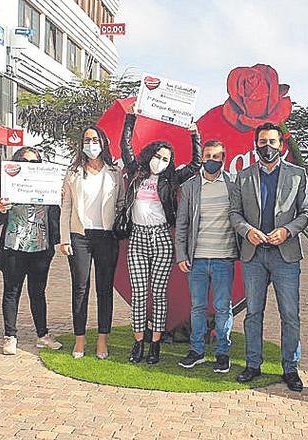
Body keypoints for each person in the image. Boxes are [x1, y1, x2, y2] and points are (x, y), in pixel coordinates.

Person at [229, 123, 308, 391]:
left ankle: (290, 368)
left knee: (290, 314)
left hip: (285, 255)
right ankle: (253, 364)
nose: (267, 146)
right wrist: (247, 231)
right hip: (253, 255)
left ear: (281, 145)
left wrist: (287, 231)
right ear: (255, 144)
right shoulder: (243, 177)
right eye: (262, 142)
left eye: (272, 142)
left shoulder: (298, 175)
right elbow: (234, 214)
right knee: (253, 313)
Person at [121, 103, 201, 365]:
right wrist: (131, 117)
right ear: (150, 155)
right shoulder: (136, 172)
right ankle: (138, 343)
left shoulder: (171, 179)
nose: (160, 161)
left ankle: (155, 345)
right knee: (139, 292)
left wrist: (194, 135)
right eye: (157, 156)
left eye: (166, 159)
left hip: (161, 239)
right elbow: (125, 146)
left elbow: (196, 165)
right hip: (138, 238)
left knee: (159, 292)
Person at [58, 125, 123, 359]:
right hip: (80, 236)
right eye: (87, 139)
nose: (91, 144)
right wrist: (64, 239)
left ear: (103, 142)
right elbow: (65, 207)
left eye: (95, 139)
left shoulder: (114, 172)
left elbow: (121, 203)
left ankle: (102, 340)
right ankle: (79, 340)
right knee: (80, 289)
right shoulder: (72, 172)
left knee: (104, 290)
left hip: (106, 237)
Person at [175, 139, 239, 373]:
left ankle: (223, 353)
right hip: (197, 259)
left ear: (224, 159)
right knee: (197, 307)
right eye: (208, 156)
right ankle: (197, 351)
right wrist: (181, 255)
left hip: (224, 258)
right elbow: (182, 225)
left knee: (223, 308)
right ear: (202, 157)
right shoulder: (190, 187)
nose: (211, 160)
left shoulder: (234, 184)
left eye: (217, 157)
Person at [0, 147, 63, 356]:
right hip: (14, 246)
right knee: (11, 291)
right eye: (25, 161)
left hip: (41, 247)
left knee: (38, 293)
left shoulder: (47, 185)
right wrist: (0, 208)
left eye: (35, 162)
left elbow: (55, 217)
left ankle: (43, 335)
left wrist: (58, 241)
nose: (30, 166)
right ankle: (10, 336)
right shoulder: (8, 184)